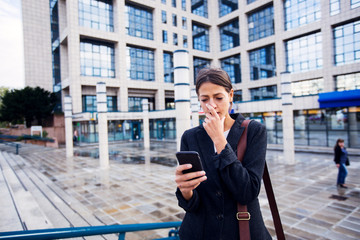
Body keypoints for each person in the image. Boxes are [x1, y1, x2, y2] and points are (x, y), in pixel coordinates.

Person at [174, 68, 271, 240]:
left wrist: (219, 140)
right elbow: (192, 204)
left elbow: (248, 192)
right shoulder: (190, 137)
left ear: (231, 95)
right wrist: (185, 190)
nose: (211, 105)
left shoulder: (254, 131)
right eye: (204, 99)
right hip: (200, 232)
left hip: (240, 232)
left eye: (219, 98)